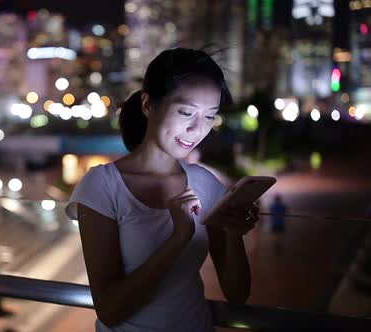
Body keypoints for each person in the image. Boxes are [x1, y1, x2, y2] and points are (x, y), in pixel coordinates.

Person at [66, 48, 259, 332]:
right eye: (186, 112)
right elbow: (109, 310)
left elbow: (237, 293)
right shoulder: (102, 185)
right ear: (148, 104)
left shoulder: (206, 184)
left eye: (210, 117)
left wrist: (232, 233)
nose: (197, 129)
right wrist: (178, 237)